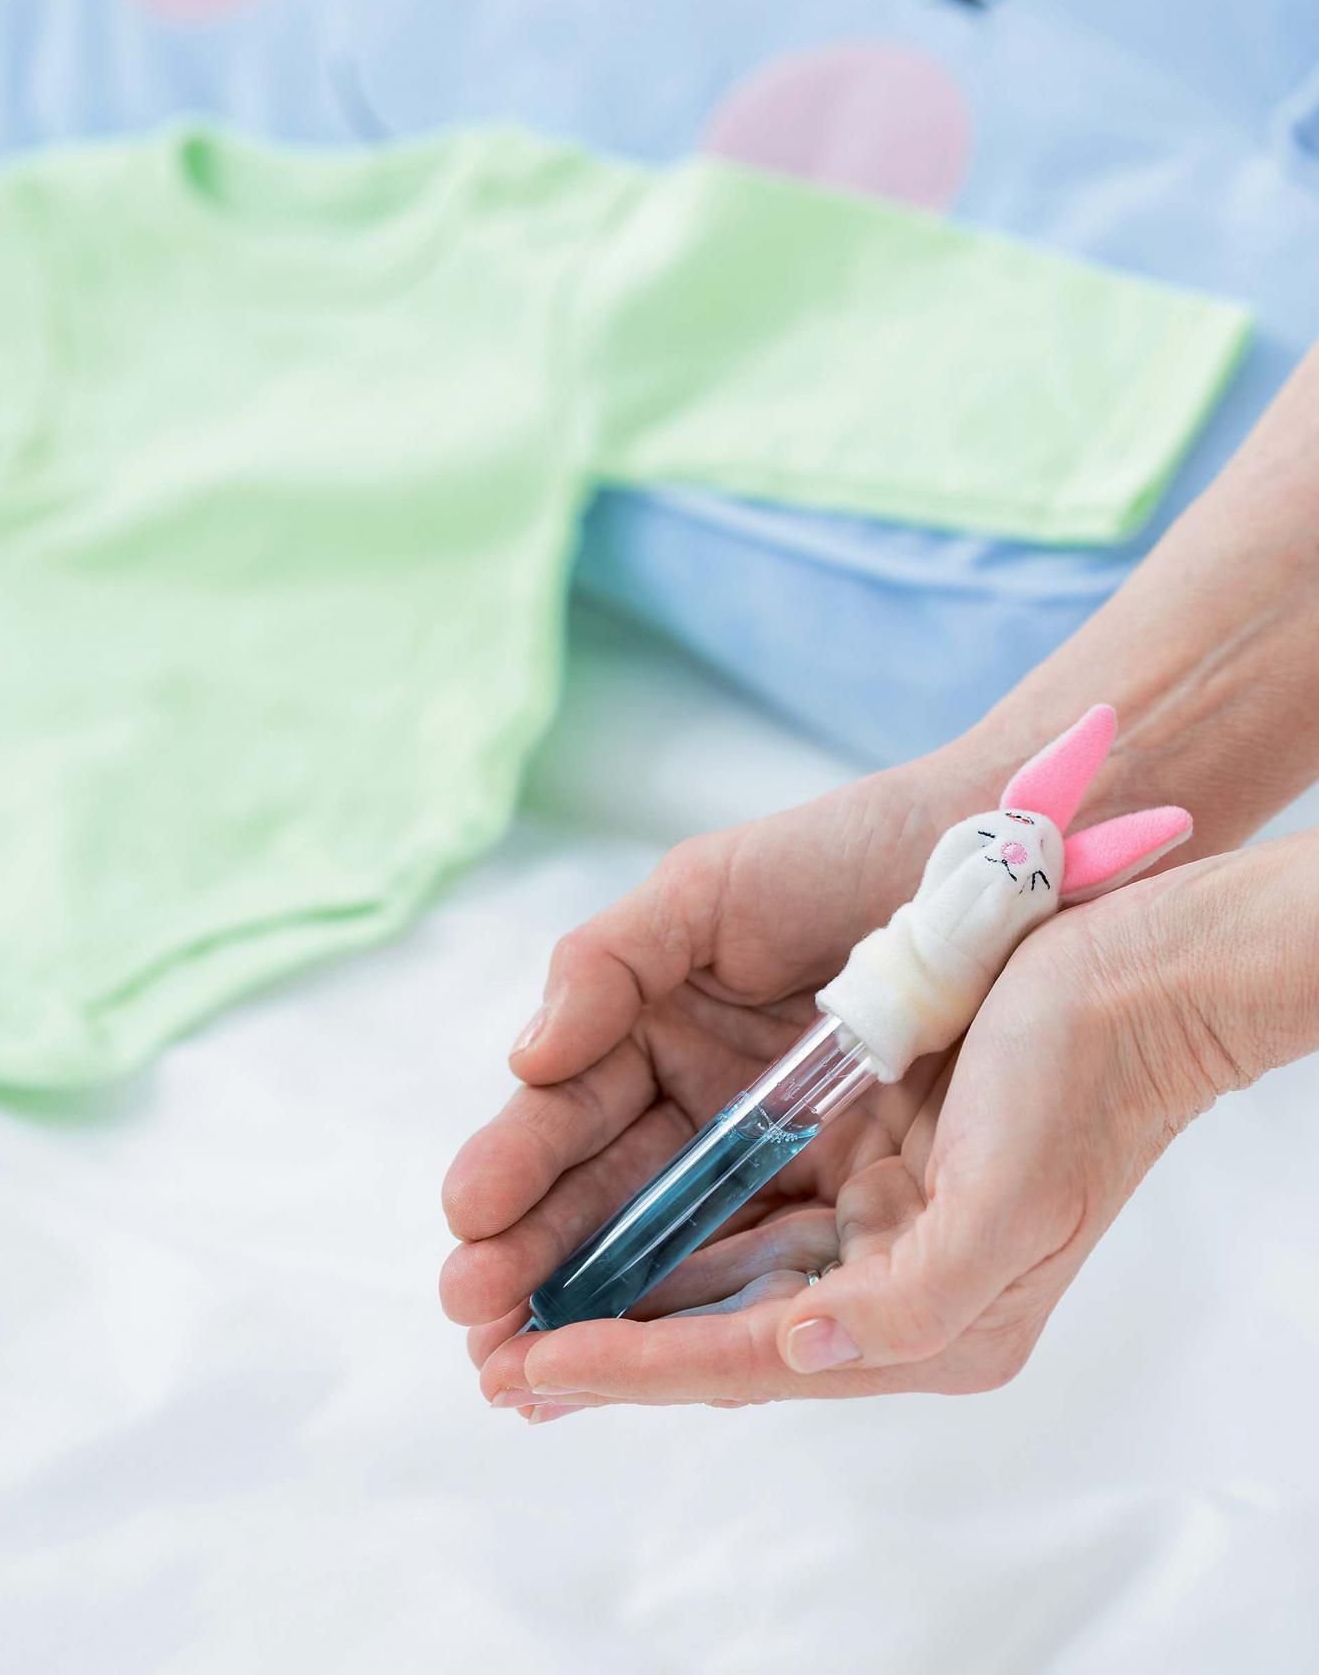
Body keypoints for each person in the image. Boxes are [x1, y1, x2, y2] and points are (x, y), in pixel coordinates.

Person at [439, 345, 1319, 1422]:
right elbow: (976, 860)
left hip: (885, 1020)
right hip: (872, 1002)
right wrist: (1111, 770)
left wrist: (1162, 1003)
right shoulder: (965, 868)